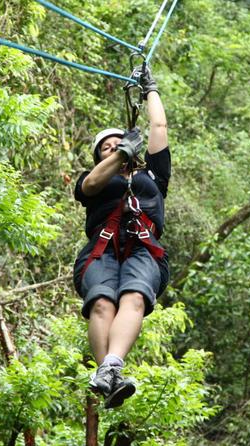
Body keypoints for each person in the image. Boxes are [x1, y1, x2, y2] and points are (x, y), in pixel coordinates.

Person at [73, 66, 170, 408]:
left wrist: (150, 90)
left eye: (119, 145)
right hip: (102, 249)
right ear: (100, 157)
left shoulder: (153, 176)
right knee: (101, 301)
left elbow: (158, 127)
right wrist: (121, 154)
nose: (113, 149)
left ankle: (111, 366)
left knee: (134, 296)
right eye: (106, 149)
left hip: (144, 248)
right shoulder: (94, 180)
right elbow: (91, 185)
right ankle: (106, 374)